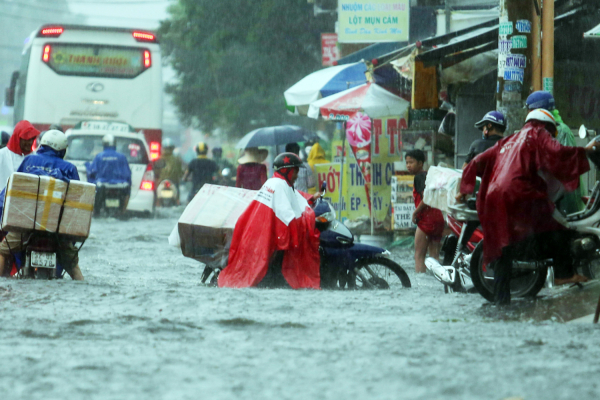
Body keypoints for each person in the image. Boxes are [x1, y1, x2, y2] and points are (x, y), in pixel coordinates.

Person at [457, 105, 596, 305]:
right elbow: (557, 152)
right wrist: (585, 151)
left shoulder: (509, 140)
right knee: (561, 226)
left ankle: (501, 301)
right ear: (546, 125)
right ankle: (563, 273)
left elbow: (476, 162)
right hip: (521, 193)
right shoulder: (538, 132)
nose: (551, 136)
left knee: (504, 246)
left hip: (495, 196)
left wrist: (464, 189)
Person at [218, 152, 321, 289]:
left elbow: (295, 196)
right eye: (295, 171)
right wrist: (309, 223)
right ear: (287, 171)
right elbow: (288, 218)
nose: (296, 176)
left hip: (256, 234)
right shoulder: (279, 185)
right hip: (265, 238)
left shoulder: (276, 182)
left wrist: (311, 198)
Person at [0, 130, 84, 280]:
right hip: (58, 231)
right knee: (73, 266)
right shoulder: (69, 168)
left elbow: (13, 191)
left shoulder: (29, 162)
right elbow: (76, 204)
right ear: (62, 150)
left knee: (2, 251)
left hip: (25, 227)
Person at [406, 149, 445, 274]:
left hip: (426, 220)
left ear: (420, 163)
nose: (408, 166)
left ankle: (421, 284)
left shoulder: (419, 177)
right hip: (439, 219)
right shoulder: (430, 176)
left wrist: (415, 212)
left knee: (419, 255)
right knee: (434, 257)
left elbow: (427, 198)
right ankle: (438, 281)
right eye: (406, 162)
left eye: (411, 162)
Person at [86, 134, 132, 214]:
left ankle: (96, 211)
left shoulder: (99, 156)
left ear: (104, 144)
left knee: (96, 208)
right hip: (121, 186)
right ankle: (123, 211)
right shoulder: (122, 157)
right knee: (128, 191)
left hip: (102, 185)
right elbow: (128, 174)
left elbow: (92, 171)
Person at [0, 121, 39, 192]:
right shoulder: (2, 155)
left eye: (32, 139)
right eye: (26, 139)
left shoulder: (35, 157)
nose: (30, 142)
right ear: (18, 138)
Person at [154, 138, 185, 202]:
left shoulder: (159, 159)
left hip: (162, 182)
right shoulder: (176, 159)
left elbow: (155, 172)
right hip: (173, 182)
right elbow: (180, 172)